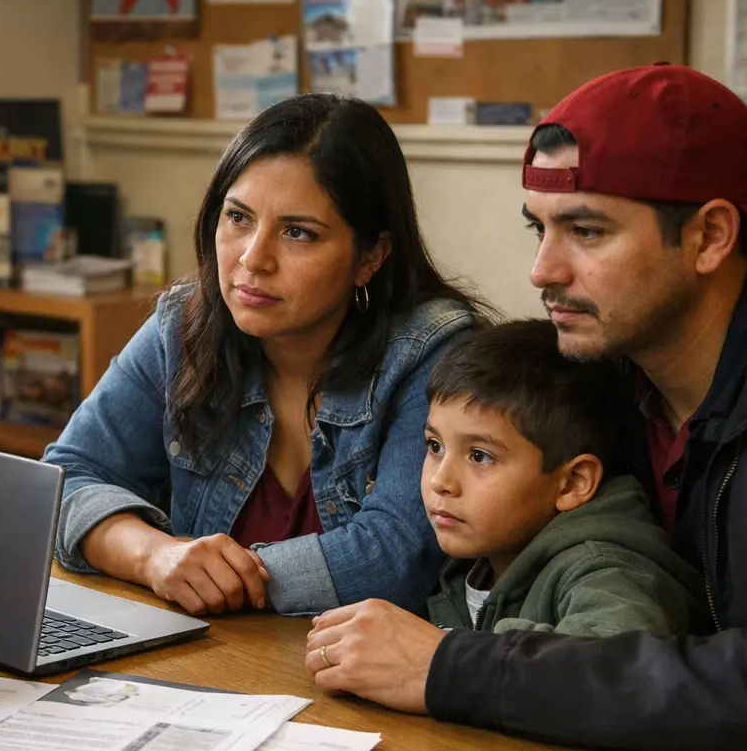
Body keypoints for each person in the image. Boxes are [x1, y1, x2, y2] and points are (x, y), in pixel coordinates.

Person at [305, 62, 747, 751]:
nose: (542, 271)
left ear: (710, 235)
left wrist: (459, 668)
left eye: (587, 231)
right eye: (539, 228)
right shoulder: (609, 354)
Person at [44, 93, 485, 617]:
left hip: (355, 665)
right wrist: (155, 556)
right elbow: (65, 478)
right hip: (211, 652)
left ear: (371, 256)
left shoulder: (431, 354)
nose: (253, 259)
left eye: (298, 232)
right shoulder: (183, 325)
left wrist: (217, 577)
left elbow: (395, 558)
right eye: (238, 217)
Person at [421, 319, 702, 637]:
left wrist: (440, 653)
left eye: (480, 456)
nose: (440, 482)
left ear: (572, 483)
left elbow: (611, 659)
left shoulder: (606, 572)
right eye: (435, 446)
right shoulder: (468, 565)